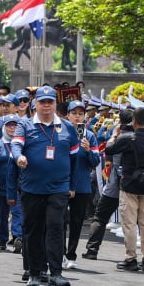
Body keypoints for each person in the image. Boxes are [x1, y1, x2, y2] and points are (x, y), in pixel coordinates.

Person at [9, 86, 79, 286]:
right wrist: (19, 156)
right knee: (33, 230)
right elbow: (15, 145)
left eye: (50, 102)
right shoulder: (25, 125)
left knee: (56, 227)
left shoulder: (67, 128)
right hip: (32, 188)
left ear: (55, 104)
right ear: (36, 104)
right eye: (43, 102)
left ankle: (56, 273)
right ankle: (34, 272)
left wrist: (72, 185)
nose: (46, 105)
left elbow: (75, 159)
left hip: (58, 188)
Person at [105, 106, 144, 272]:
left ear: (134, 121)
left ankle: (131, 258)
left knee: (129, 224)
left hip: (129, 185)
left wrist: (114, 135)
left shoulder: (126, 138)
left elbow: (109, 150)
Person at [63, 100, 100, 269]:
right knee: (60, 221)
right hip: (62, 184)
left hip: (82, 185)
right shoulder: (61, 132)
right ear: (67, 115)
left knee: (77, 222)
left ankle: (71, 255)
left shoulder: (90, 136)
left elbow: (95, 161)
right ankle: (59, 253)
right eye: (74, 113)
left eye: (80, 114)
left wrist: (87, 150)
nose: (77, 117)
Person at [0, 114, 20, 251]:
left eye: (15, 125)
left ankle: (17, 237)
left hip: (17, 185)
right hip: (1, 185)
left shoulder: (21, 144)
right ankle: (3, 239)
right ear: (4, 127)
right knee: (2, 213)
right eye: (9, 125)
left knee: (18, 211)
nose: (12, 128)